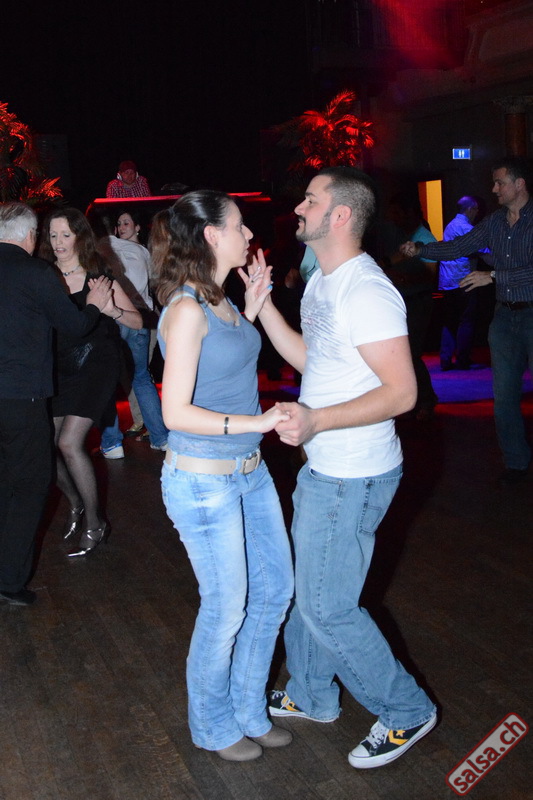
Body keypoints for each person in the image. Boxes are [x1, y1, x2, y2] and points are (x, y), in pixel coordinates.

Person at [243, 167, 437, 769]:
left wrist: (318, 421)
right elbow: (316, 361)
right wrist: (264, 309)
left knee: (328, 606)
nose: (299, 207)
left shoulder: (368, 292)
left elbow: (403, 393)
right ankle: (311, 692)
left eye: (311, 199)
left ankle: (406, 709)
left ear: (341, 215)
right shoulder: (324, 283)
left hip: (355, 475)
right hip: (326, 467)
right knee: (312, 590)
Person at [151, 191, 294, 762]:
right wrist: (256, 422)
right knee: (226, 606)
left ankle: (248, 710)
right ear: (211, 235)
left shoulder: (221, 298)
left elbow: (224, 365)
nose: (248, 234)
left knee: (274, 590)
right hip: (203, 480)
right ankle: (212, 726)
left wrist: (254, 307)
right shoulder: (186, 307)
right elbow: (174, 412)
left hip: (249, 473)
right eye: (239, 225)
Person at [0, 202, 112, 605]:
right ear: (31, 236)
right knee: (29, 486)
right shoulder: (35, 272)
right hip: (22, 397)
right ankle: (10, 580)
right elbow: (75, 325)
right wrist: (94, 303)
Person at [401, 157, 533, 483]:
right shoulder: (495, 222)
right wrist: (421, 250)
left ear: (520, 184)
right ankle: (516, 464)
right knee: (504, 397)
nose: (494, 189)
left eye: (500, 182)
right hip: (505, 317)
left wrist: (494, 276)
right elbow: (459, 246)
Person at [39, 209, 142, 556]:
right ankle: (76, 501)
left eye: (65, 235)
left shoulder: (98, 275)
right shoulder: (44, 277)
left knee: (70, 443)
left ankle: (95, 523)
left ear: (80, 236)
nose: (58, 242)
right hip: (60, 366)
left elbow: (139, 321)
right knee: (44, 446)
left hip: (97, 362)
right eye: (53, 235)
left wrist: (112, 310)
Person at [97, 210, 167, 457]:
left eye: (127, 222)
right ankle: (158, 436)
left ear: (137, 227)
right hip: (133, 318)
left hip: (124, 318)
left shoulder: (107, 249)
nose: (122, 226)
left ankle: (113, 442)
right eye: (119, 223)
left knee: (115, 378)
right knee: (139, 377)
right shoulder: (137, 251)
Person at [386, 192, 439, 420]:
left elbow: (431, 276)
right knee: (404, 354)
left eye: (397, 213)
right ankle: (415, 401)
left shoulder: (424, 238)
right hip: (404, 302)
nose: (393, 218)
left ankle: (425, 400)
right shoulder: (401, 235)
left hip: (418, 302)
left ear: (410, 213)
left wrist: (403, 279)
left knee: (411, 354)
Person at [439, 196, 487, 371]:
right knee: (466, 320)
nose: (477, 213)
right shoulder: (465, 227)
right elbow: (482, 248)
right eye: (476, 210)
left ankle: (445, 359)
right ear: (470, 209)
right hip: (463, 280)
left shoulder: (450, 225)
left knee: (449, 321)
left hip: (447, 281)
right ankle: (463, 359)